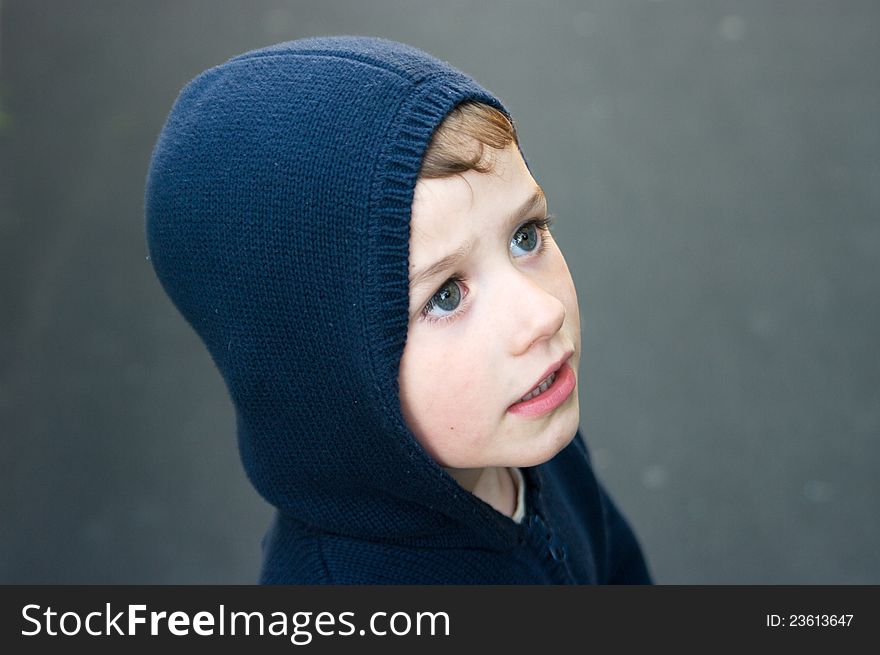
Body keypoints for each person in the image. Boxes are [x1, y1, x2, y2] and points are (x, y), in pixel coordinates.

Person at [145, 35, 651, 584]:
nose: (542, 314)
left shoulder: (532, 426)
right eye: (446, 296)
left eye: (525, 237)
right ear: (324, 376)